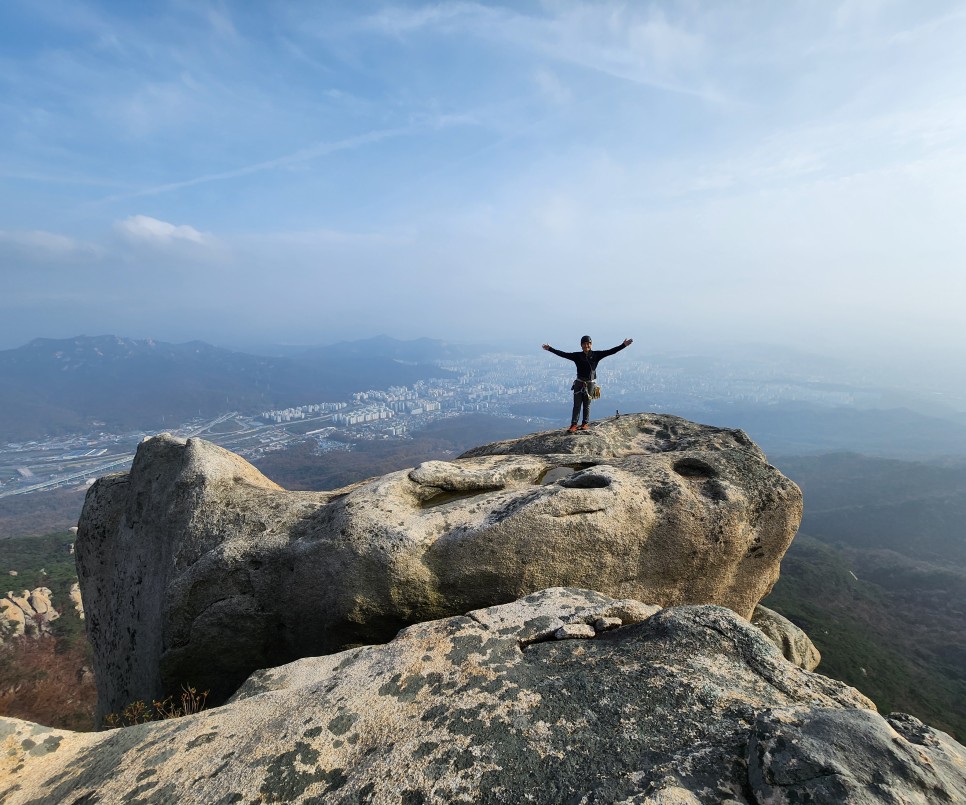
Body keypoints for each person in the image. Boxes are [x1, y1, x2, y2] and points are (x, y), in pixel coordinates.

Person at [542, 336, 633, 432]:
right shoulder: (577, 356)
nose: (586, 345)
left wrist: (623, 345)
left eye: (588, 343)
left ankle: (585, 423)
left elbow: (611, 351)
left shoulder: (596, 355)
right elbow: (563, 354)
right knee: (577, 404)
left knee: (587, 404)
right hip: (579, 382)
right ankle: (574, 424)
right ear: (581, 345)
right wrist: (550, 349)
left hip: (590, 383)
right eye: (584, 344)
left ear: (591, 344)